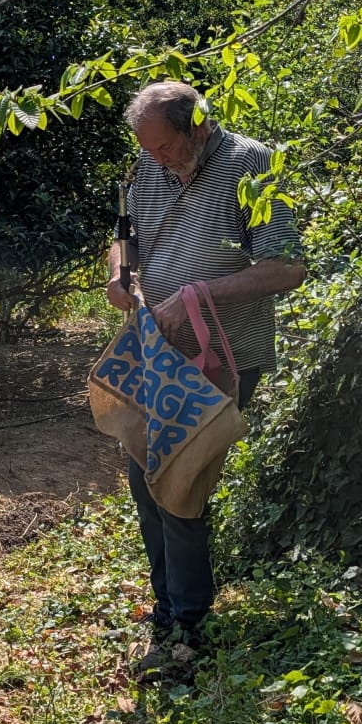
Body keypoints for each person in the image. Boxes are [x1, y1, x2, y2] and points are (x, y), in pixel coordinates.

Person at [104, 81, 305, 681]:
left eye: (166, 147)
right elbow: (125, 239)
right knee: (146, 479)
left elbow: (287, 267)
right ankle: (168, 609)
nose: (158, 158)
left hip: (220, 355)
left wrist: (195, 296)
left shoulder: (255, 164)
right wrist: (121, 276)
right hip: (153, 350)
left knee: (180, 486)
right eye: (150, 149)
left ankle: (187, 624)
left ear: (196, 126)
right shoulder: (149, 160)